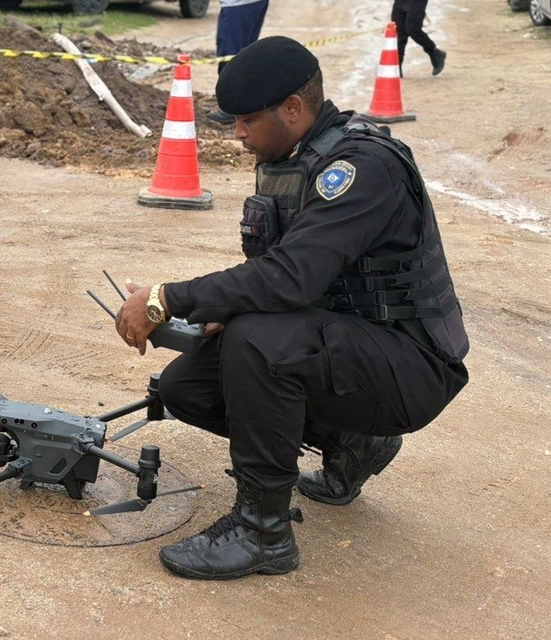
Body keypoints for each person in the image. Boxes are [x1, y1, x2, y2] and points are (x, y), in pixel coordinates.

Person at [114, 36, 469, 581]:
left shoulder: (360, 167)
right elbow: (286, 279)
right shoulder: (293, 157)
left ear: (294, 109)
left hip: (410, 366)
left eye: (246, 121)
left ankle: (264, 533)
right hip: (351, 349)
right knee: (187, 386)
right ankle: (353, 444)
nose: (237, 135)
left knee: (256, 342)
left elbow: (288, 278)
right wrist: (218, 313)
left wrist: (166, 299)